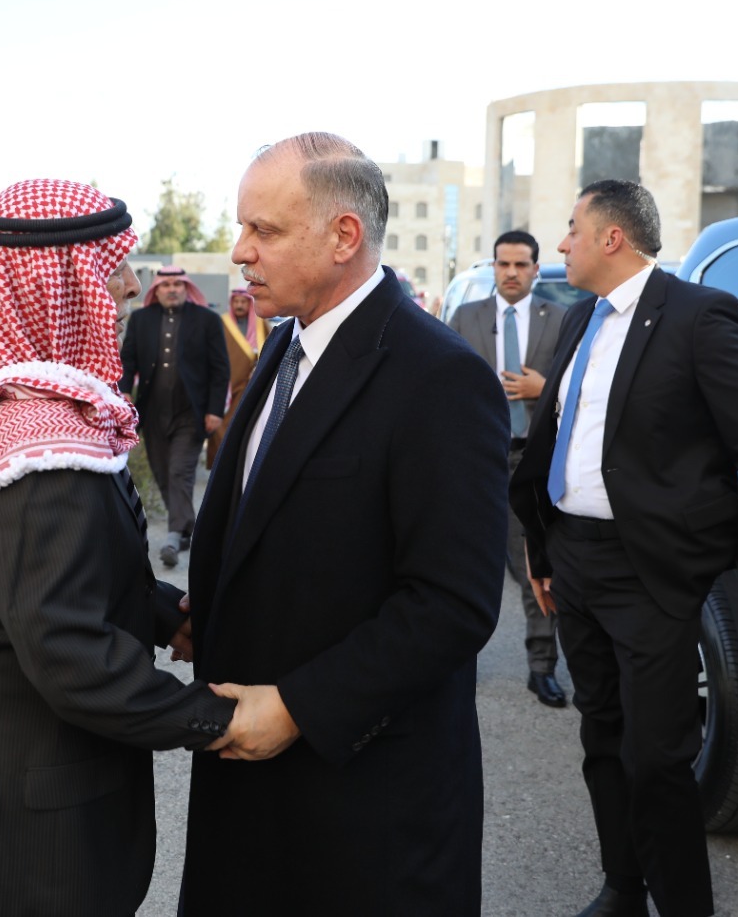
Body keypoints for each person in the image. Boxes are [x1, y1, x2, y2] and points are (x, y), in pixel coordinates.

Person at [0, 179, 238, 917]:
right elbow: (69, 652)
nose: (130, 286)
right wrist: (220, 718)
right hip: (21, 833)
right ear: (50, 287)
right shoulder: (42, 457)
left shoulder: (12, 413)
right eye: (112, 268)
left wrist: (163, 615)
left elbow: (43, 581)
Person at [180, 133, 510, 915]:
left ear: (343, 236)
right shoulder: (285, 345)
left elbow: (452, 602)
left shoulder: (439, 377)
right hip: (250, 794)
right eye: (241, 227)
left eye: (264, 230)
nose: (240, 251)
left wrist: (298, 707)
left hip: (362, 809)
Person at [509, 180, 738, 917]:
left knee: (659, 759)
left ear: (613, 238)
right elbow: (559, 441)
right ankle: (623, 887)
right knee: (602, 737)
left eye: (572, 229)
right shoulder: (580, 319)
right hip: (574, 560)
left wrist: (737, 558)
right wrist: (543, 549)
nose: (561, 243)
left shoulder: (699, 316)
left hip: (651, 573)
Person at [450, 230, 569, 708]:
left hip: (532, 459)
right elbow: (442, 384)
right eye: (504, 264)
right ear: (493, 267)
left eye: (521, 265)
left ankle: (542, 668)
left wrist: (546, 387)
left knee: (534, 564)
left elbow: (583, 385)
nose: (512, 273)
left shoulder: (560, 319)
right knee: (463, 567)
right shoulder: (466, 317)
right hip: (477, 459)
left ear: (536, 269)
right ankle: (457, 666)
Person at [119, 264, 229, 568]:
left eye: (177, 285)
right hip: (153, 412)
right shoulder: (141, 319)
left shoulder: (207, 320)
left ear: (186, 288)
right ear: (157, 290)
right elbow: (127, 360)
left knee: (179, 471)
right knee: (163, 473)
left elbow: (220, 369)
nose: (172, 290)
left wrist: (215, 410)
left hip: (191, 414)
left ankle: (172, 536)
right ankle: (188, 530)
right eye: (166, 285)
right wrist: (124, 391)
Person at [206, 289, 271, 468]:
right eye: (236, 302)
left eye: (243, 302)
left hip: (253, 386)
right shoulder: (222, 323)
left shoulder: (261, 324)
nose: (239, 305)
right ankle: (222, 466)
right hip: (228, 387)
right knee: (222, 428)